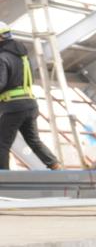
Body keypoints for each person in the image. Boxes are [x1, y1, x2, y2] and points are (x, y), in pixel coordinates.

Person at [0, 24, 61, 171]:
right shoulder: (23, 57)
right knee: (33, 140)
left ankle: (3, 178)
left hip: (13, 107)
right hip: (30, 104)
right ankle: (55, 165)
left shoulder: (2, 57)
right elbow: (30, 80)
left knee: (2, 144)